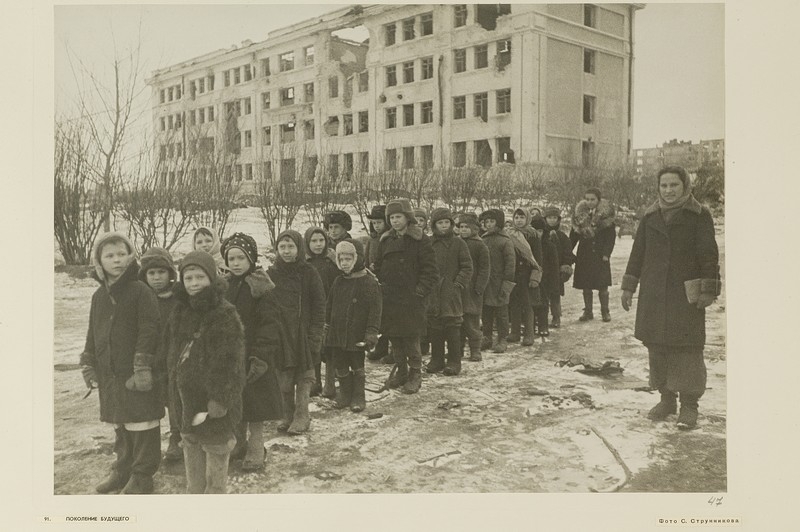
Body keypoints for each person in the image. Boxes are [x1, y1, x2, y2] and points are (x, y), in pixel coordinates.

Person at [621, 166, 720, 430]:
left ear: (685, 186)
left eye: (674, 185)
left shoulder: (699, 216)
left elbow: (709, 255)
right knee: (657, 347)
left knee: (686, 350)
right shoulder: (650, 216)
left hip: (684, 295)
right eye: (663, 185)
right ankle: (667, 399)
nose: (668, 190)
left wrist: (708, 289)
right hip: (654, 293)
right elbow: (637, 253)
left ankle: (689, 406)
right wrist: (629, 286)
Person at [79, 232, 162, 494]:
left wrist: (142, 367)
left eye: (122, 254)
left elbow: (150, 330)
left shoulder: (141, 291)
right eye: (110, 255)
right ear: (99, 261)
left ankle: (142, 475)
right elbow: (93, 332)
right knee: (120, 422)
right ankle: (123, 468)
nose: (117, 260)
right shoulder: (98, 296)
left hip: (136, 372)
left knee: (142, 422)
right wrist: (89, 363)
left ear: (131, 256)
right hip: (110, 373)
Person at [164, 251, 246, 493]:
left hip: (213, 403)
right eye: (188, 278)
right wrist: (170, 383)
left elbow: (230, 362)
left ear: (211, 278)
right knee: (190, 443)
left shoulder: (224, 314)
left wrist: (220, 398)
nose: (194, 283)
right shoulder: (180, 310)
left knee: (216, 447)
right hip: (186, 398)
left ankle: (215, 499)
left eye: (200, 277)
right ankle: (195, 495)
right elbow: (173, 352)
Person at [220, 232, 285, 471]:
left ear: (251, 259)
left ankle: (257, 447)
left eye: (241, 258)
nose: (236, 263)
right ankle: (239, 443)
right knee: (236, 404)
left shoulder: (260, 285)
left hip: (255, 355)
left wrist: (261, 356)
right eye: (231, 258)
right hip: (231, 356)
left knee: (256, 406)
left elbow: (270, 324)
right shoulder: (224, 286)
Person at [374, 199, 439, 394]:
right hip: (391, 297)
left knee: (411, 339)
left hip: (412, 299)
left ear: (407, 217)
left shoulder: (420, 239)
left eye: (398, 217)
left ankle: (415, 374)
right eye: (391, 217)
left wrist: (419, 292)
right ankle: (401, 371)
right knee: (395, 337)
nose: (394, 221)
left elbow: (431, 271)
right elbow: (378, 265)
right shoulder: (385, 240)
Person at [268, 230, 326, 434]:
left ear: (299, 248)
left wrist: (315, 335)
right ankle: (286, 413)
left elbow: (319, 305)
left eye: (291, 246)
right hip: (281, 333)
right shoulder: (272, 273)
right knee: (282, 377)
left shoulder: (308, 272)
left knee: (303, 377)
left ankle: (302, 415)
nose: (286, 251)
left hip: (302, 333)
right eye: (282, 247)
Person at [325, 239, 382, 412]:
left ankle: (358, 395)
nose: (344, 263)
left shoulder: (369, 282)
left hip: (357, 334)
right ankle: (345, 393)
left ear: (357, 259)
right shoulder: (339, 281)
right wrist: (326, 326)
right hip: (337, 333)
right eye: (341, 259)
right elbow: (330, 305)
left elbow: (375, 310)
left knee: (357, 364)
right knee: (340, 363)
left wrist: (371, 332)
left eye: (348, 259)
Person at [138, 247, 182, 461]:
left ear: (170, 274)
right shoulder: (141, 299)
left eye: (161, 272)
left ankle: (177, 438)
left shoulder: (179, 298)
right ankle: (149, 444)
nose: (156, 278)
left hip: (173, 359)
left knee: (175, 400)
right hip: (150, 359)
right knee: (152, 402)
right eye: (151, 273)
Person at [426, 208, 473, 376]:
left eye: (447, 222)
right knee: (435, 326)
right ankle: (436, 360)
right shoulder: (429, 243)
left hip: (451, 292)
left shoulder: (459, 243)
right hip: (432, 292)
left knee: (452, 326)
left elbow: (467, 267)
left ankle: (454, 361)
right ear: (434, 225)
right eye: (440, 223)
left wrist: (458, 283)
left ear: (452, 224)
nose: (444, 226)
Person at [304, 227, 340, 398]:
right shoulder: (304, 263)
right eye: (313, 241)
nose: (318, 245)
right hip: (312, 311)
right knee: (315, 346)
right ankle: (315, 381)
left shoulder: (333, 261)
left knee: (331, 346)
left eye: (321, 240)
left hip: (332, 308)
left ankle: (330, 382)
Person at [570, 187, 616, 322]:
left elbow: (610, 238)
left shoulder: (606, 216)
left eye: (593, 199)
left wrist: (606, 254)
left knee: (603, 286)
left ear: (598, 200)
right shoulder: (579, 216)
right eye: (587, 199)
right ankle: (588, 311)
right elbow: (573, 237)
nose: (590, 202)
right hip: (584, 255)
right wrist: (567, 252)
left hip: (600, 256)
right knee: (586, 285)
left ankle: (605, 311)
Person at [479, 209, 516, 353]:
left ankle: (502, 338)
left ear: (499, 223)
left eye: (492, 221)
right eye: (486, 222)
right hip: (486, 282)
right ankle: (487, 337)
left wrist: (506, 284)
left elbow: (510, 264)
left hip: (500, 282)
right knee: (486, 311)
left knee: (501, 312)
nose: (488, 225)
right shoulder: (483, 239)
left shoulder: (505, 241)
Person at [457, 213, 491, 362]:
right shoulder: (456, 243)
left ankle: (475, 350)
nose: (463, 230)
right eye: (461, 227)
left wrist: (479, 287)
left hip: (473, 290)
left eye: (467, 227)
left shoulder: (480, 245)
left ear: (475, 229)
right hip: (458, 289)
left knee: (472, 322)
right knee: (457, 323)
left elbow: (485, 269)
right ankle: (457, 350)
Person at [506, 208, 543, 344]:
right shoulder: (509, 235)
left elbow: (538, 259)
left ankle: (529, 334)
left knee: (528, 305)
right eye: (516, 218)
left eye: (522, 217)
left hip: (527, 275)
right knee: (514, 304)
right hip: (514, 274)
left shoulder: (533, 236)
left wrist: (535, 277)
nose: (519, 220)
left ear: (527, 219)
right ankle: (515, 332)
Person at [364, 205, 392, 364]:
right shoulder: (372, 240)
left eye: (379, 222)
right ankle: (380, 348)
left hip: (388, 282)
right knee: (378, 317)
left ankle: (394, 350)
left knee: (390, 317)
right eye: (374, 223)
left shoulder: (390, 239)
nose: (377, 226)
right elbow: (367, 260)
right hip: (375, 283)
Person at [542, 207, 576, 329]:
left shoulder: (562, 236)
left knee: (555, 294)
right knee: (542, 294)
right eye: (549, 218)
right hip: (544, 269)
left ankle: (556, 317)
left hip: (556, 271)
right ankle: (541, 318)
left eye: (554, 218)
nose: (552, 220)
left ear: (558, 220)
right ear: (545, 219)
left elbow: (568, 253)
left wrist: (565, 266)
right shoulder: (541, 234)